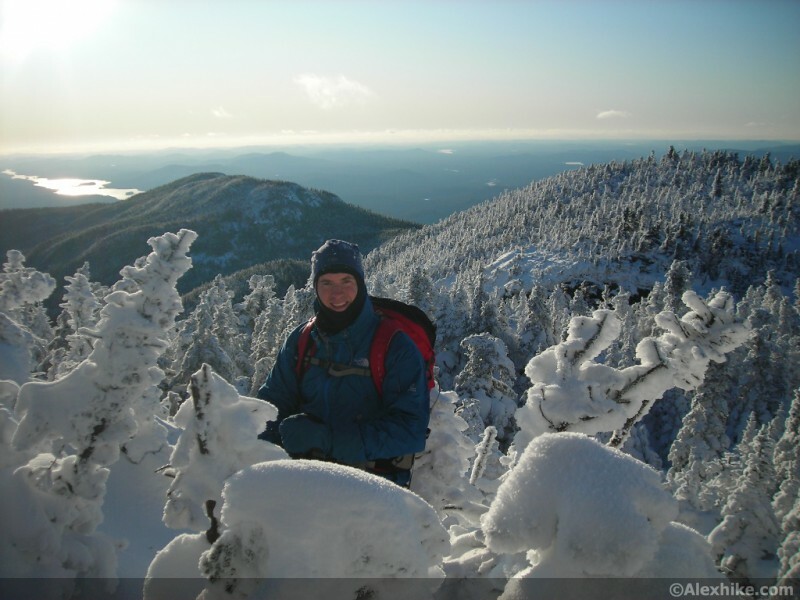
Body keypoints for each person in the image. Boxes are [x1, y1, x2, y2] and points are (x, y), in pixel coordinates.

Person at [258, 239, 429, 487]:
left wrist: (328, 439)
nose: (336, 293)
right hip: (302, 473)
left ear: (360, 283)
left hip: (375, 481)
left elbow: (409, 429)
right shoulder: (302, 340)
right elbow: (272, 402)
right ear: (315, 287)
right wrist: (273, 437)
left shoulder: (393, 346)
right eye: (326, 283)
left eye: (346, 281)